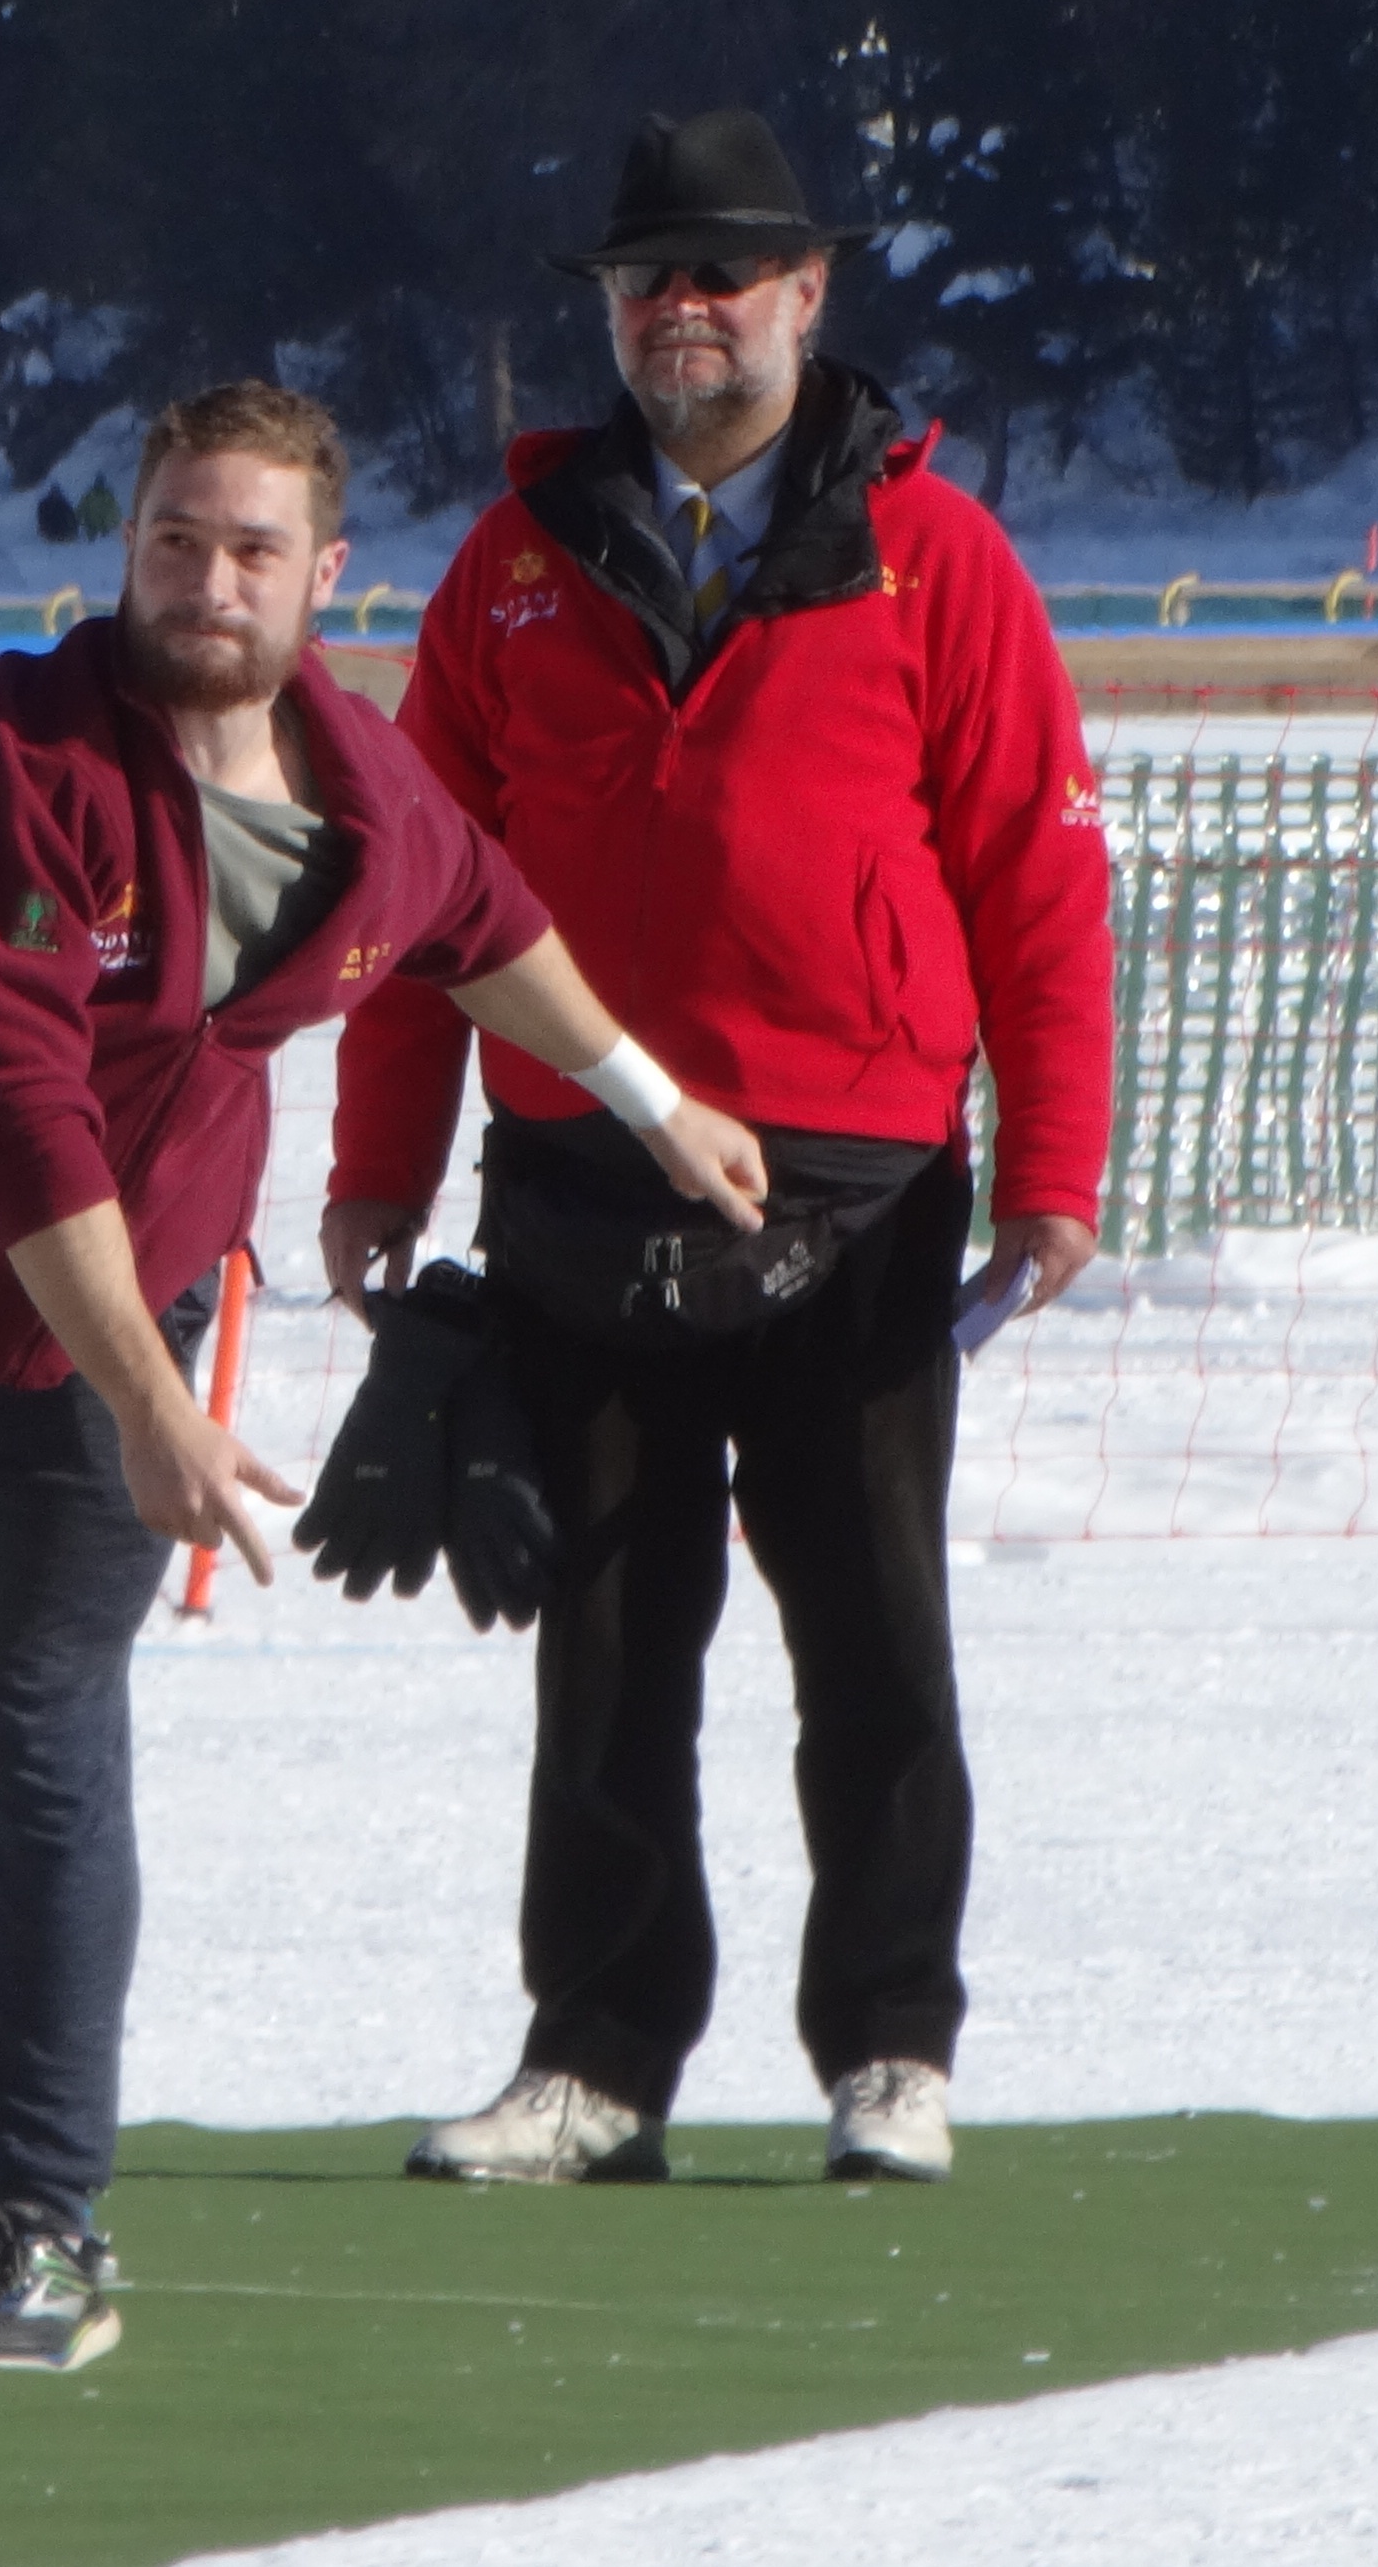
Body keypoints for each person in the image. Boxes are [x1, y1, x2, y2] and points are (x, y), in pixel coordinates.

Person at [0, 380, 769, 2372]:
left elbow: (488, 920)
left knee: (45, 1704)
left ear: (323, 573)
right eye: (177, 537)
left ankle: (39, 2220)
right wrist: (150, 1402)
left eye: (252, 546)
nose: (209, 580)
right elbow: (21, 1112)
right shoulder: (5, 766)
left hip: (133, 1307)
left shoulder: (364, 789)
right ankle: (7, 2000)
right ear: (128, 542)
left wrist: (652, 1095)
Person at [334, 107, 1114, 2193]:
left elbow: (1037, 870)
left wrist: (1055, 1159)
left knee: (869, 1629)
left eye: (719, 276)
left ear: (805, 293)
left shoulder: (934, 555)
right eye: (641, 280)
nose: (679, 313)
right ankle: (594, 2059)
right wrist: (380, 1163)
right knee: (604, 1638)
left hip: (859, 1187)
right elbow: (423, 900)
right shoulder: (509, 569)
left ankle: (890, 2044)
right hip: (581, 1181)